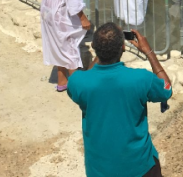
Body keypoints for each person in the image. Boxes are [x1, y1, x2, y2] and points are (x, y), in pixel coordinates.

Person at [67, 23, 172, 177]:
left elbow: (87, 77)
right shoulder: (141, 79)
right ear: (123, 47)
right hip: (140, 167)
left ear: (94, 46)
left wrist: (102, 51)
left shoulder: (78, 82)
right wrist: (148, 52)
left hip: (99, 170)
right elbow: (167, 89)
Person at [40, 0, 92, 92]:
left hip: (47, 10)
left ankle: (62, 81)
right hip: (58, 12)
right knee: (70, 48)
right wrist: (83, 17)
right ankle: (78, 86)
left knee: (59, 46)